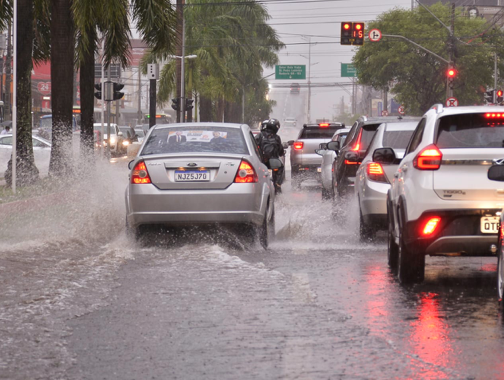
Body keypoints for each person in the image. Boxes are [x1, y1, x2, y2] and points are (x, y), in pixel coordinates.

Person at [255, 118, 285, 193]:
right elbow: (280, 151)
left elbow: (253, 147)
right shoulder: (276, 137)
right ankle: (277, 184)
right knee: (280, 167)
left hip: (261, 161)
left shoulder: (259, 136)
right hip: (273, 161)